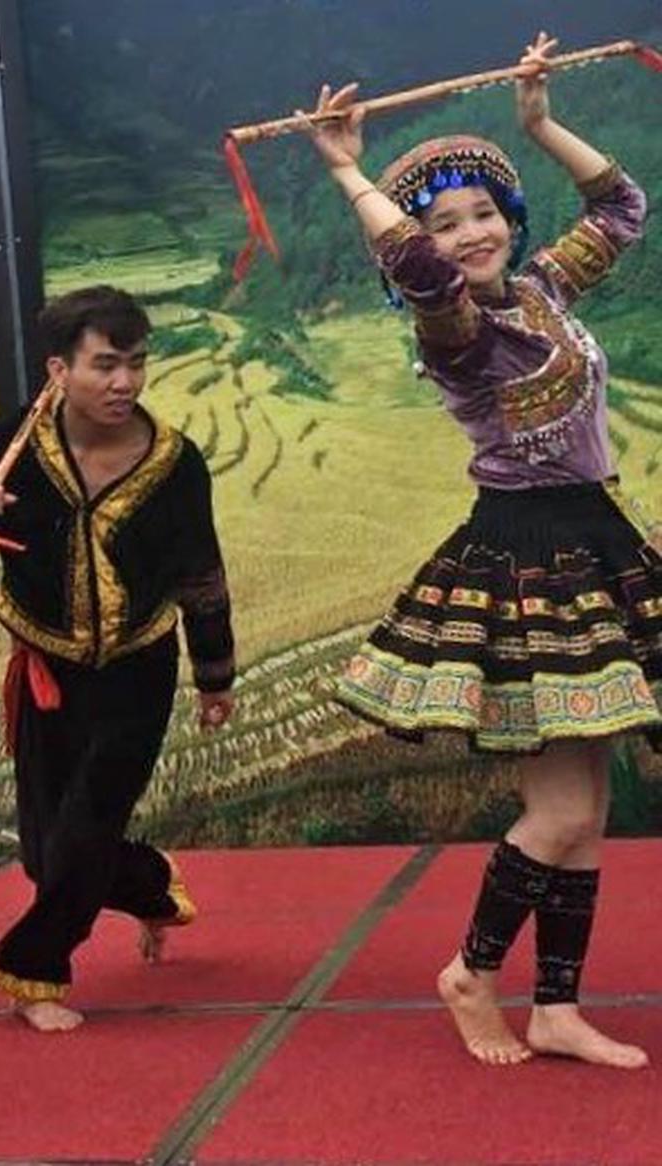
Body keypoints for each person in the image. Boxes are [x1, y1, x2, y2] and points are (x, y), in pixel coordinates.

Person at [306, 32, 653, 1069]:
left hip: (592, 537)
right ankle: (470, 971)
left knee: (586, 808)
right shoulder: (458, 337)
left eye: (482, 213)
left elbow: (622, 206)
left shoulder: (542, 291)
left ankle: (557, 1006)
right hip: (524, 558)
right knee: (559, 807)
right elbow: (419, 274)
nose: (466, 235)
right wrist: (347, 171)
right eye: (443, 222)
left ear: (510, 219)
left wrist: (538, 123)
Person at [0, 284, 236, 1031]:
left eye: (136, 364)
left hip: (138, 671)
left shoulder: (176, 463)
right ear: (59, 370)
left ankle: (34, 973)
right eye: (105, 365)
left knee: (86, 829)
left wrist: (215, 677)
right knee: (47, 856)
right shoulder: (13, 446)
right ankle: (151, 884)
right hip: (46, 671)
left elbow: (201, 575)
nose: (124, 382)